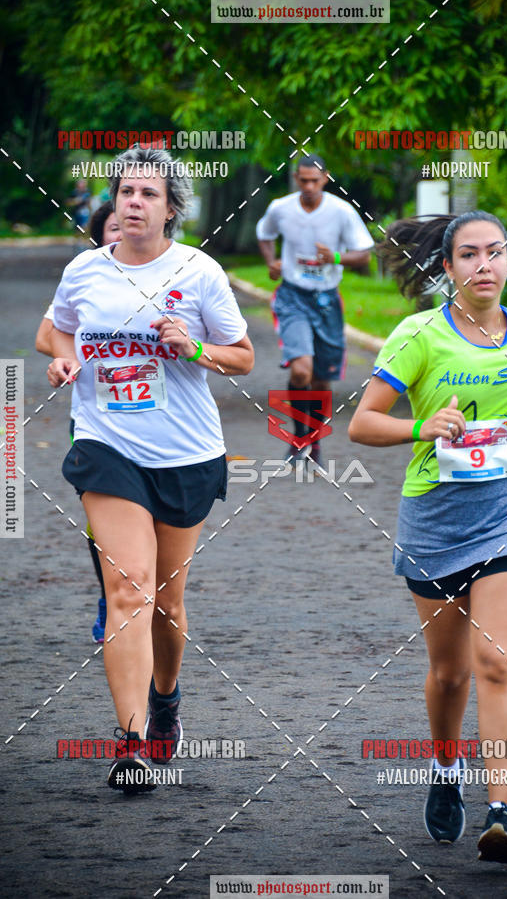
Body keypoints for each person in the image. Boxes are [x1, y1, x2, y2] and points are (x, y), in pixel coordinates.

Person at [348, 211, 507, 862]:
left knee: (498, 662)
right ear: (446, 268)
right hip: (437, 520)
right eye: (469, 255)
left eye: (496, 253)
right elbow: (363, 425)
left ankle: (500, 810)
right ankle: (446, 769)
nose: (485, 265)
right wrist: (424, 429)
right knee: (449, 674)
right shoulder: (416, 334)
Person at [47, 145, 254, 793]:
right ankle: (131, 741)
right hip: (109, 447)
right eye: (126, 192)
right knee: (128, 590)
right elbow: (55, 329)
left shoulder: (199, 272)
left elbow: (242, 357)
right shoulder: (85, 271)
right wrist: (63, 359)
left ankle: (166, 698)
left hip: (186, 454)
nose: (133, 203)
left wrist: (192, 346)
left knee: (167, 603)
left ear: (171, 210)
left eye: (147, 194)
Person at [36, 200, 122, 643]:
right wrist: (65, 358)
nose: (122, 231)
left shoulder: (176, 273)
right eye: (112, 227)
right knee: (102, 521)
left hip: (162, 426)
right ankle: (113, 596)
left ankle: (145, 596)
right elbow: (44, 336)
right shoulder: (85, 274)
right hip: (94, 421)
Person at [256, 154, 373, 464]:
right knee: (301, 370)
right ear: (296, 178)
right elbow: (264, 234)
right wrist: (271, 263)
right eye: (303, 180)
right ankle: (298, 442)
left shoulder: (341, 211)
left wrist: (334, 258)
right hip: (293, 296)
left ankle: (315, 443)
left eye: (315, 181)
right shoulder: (281, 208)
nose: (309, 186)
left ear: (326, 178)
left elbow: (364, 254)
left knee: (321, 380)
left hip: (327, 300)